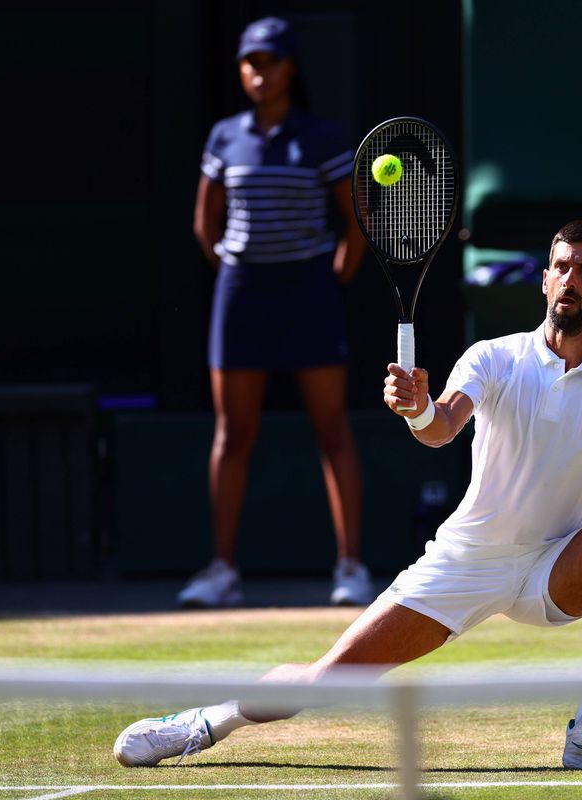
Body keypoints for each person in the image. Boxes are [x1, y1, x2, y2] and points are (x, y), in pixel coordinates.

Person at [115, 219, 582, 770]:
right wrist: (416, 410)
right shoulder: (494, 358)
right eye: (560, 266)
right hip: (465, 564)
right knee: (329, 680)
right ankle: (204, 723)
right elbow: (442, 426)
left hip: (555, 564)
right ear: (543, 279)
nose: (570, 280)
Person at [178, 17, 373, 609]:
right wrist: (239, 271)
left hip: (308, 292)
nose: (259, 72)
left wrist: (331, 274)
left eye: (270, 61)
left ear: (290, 69)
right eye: (249, 62)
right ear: (241, 70)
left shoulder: (320, 137)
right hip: (241, 295)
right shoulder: (222, 137)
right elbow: (204, 223)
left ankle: (350, 567)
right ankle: (222, 571)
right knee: (232, 433)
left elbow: (354, 220)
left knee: (330, 429)